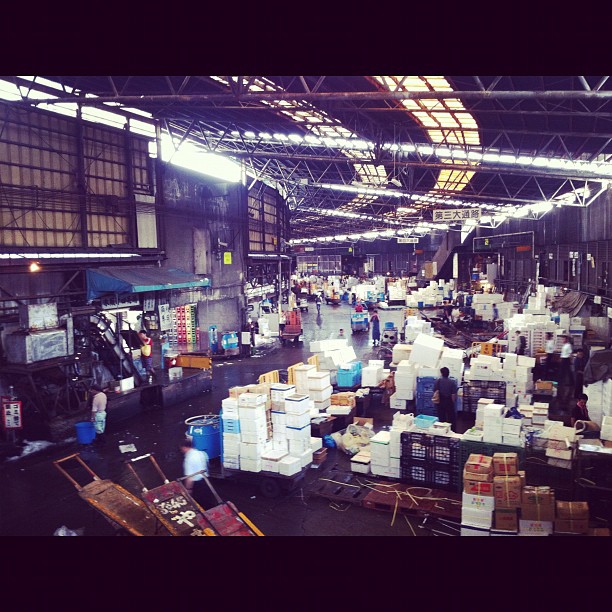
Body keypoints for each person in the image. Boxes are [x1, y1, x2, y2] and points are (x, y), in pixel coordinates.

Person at [180, 438, 214, 508]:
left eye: (182, 448)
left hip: (198, 486)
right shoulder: (202, 453)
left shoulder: (189, 459)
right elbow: (208, 465)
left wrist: (188, 490)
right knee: (209, 502)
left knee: (199, 504)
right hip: (206, 481)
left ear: (184, 447)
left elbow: (189, 478)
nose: (182, 450)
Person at [434, 367, 458, 432]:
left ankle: (442, 430)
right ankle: (452, 430)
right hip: (449, 401)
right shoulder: (452, 382)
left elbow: (435, 391)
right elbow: (453, 394)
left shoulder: (438, 381)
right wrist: (452, 402)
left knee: (441, 416)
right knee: (451, 417)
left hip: (440, 401)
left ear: (441, 373)